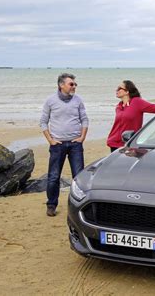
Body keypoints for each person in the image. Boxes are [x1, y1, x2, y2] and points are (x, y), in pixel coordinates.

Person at [40, 73, 89, 217]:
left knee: (79, 177)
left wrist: (82, 137)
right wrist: (50, 140)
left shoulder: (78, 100)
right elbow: (43, 121)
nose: (74, 86)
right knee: (54, 176)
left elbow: (84, 119)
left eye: (75, 84)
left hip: (75, 145)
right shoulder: (51, 100)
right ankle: (51, 205)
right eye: (71, 84)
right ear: (61, 85)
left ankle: (79, 206)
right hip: (57, 145)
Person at [107, 80, 155, 152]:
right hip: (114, 143)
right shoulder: (119, 106)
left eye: (119, 88)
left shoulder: (137, 102)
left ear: (127, 91)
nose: (116, 90)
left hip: (129, 143)